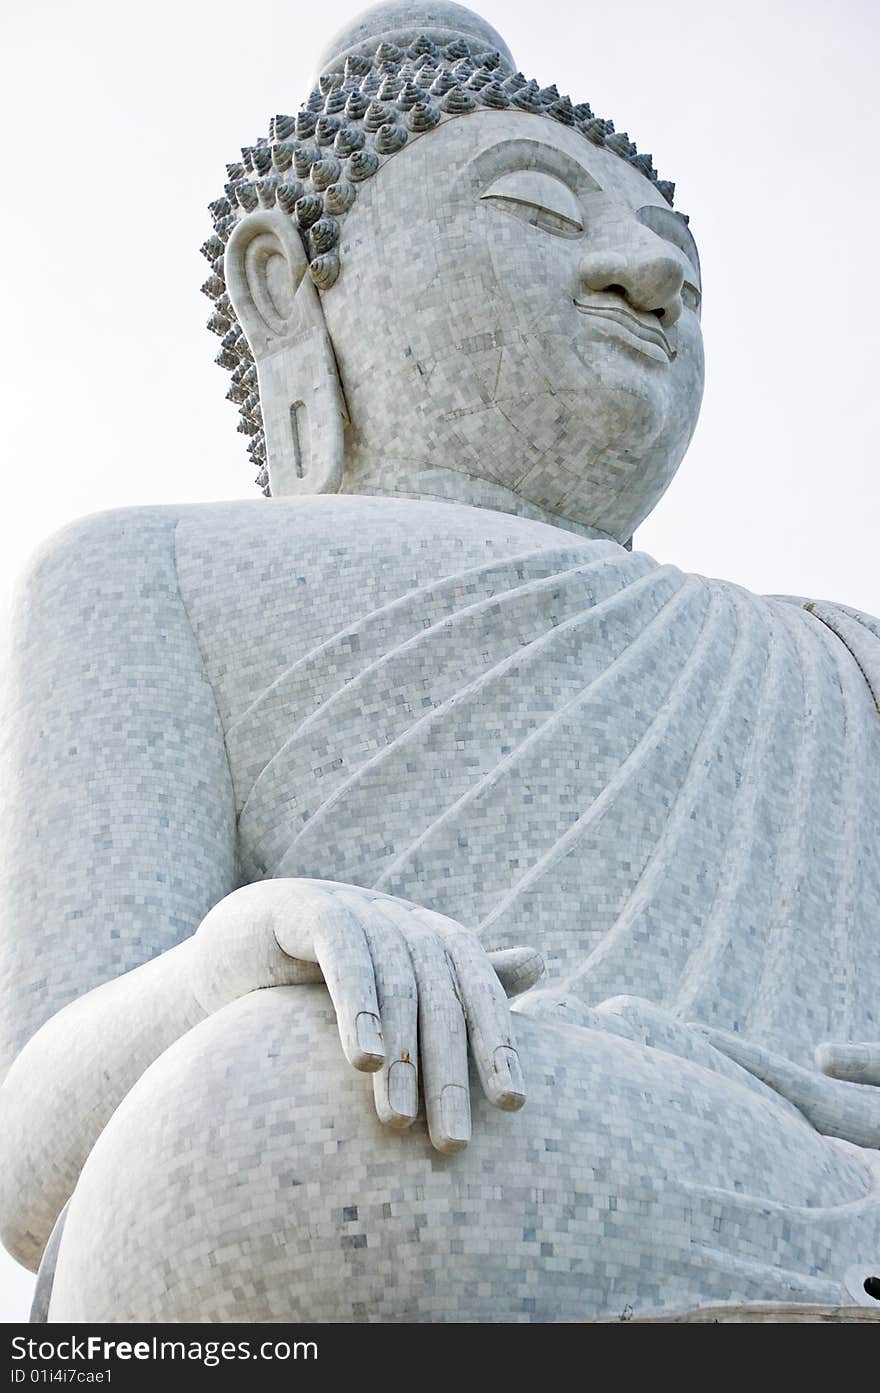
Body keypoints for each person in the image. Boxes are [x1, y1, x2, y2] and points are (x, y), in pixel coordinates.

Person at [1, 1, 879, 1322]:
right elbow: (29, 1163)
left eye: (678, 254)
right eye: (542, 209)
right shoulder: (147, 571)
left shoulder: (835, 658)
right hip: (449, 1131)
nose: (647, 276)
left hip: (816, 1177)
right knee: (245, 1124)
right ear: (282, 282)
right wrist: (235, 958)